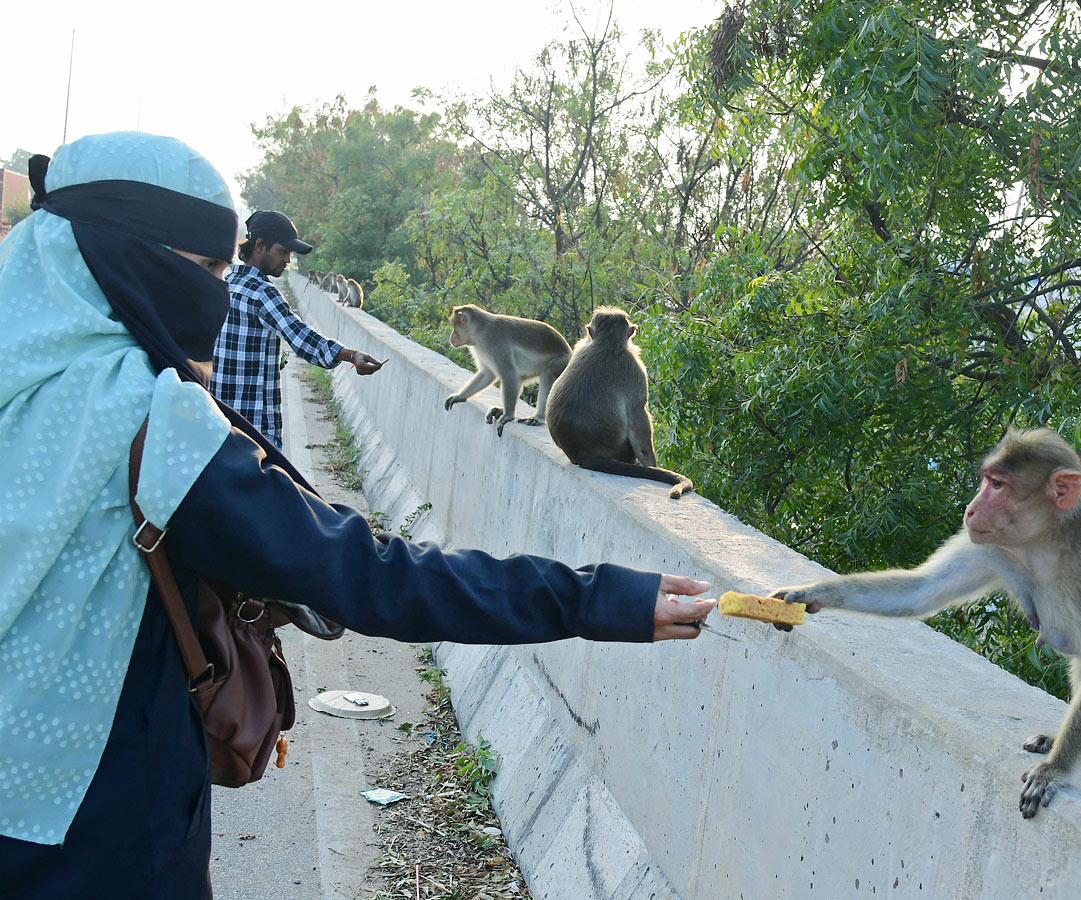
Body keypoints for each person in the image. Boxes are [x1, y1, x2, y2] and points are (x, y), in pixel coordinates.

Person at [0, 132, 716, 900]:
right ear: (127, 252)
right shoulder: (147, 420)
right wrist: (599, 597)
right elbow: (366, 574)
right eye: (208, 269)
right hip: (94, 819)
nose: (220, 289)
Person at [210, 209, 384, 448]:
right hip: (254, 430)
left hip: (218, 421)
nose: (288, 260)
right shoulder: (263, 292)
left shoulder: (225, 283)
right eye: (283, 251)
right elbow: (303, 338)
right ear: (260, 246)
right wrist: (352, 355)